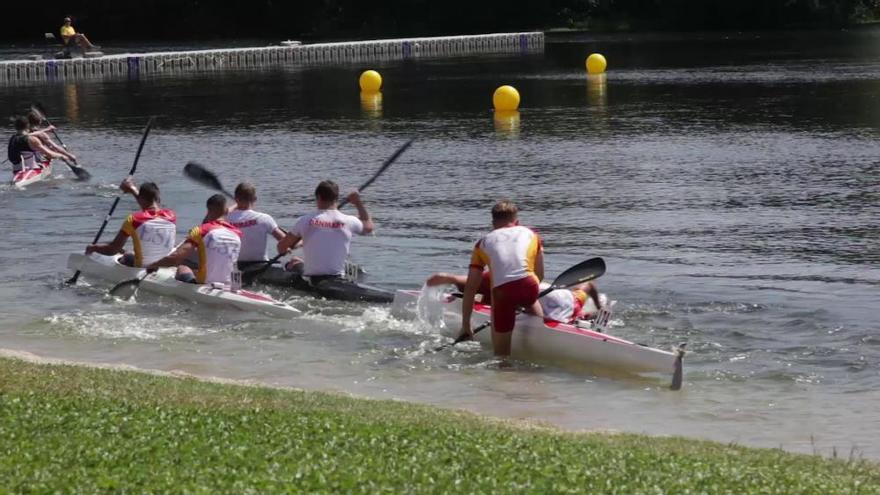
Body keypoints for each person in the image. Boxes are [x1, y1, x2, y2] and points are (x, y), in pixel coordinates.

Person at [458, 200, 544, 357]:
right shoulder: (532, 235)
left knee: (501, 356)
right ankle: (540, 323)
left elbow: (471, 287)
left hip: (502, 294)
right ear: (517, 221)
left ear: (493, 223)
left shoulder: (481, 243)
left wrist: (466, 324)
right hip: (530, 288)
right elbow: (540, 275)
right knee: (529, 283)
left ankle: (503, 364)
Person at [276, 180, 373, 284]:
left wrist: (287, 249)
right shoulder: (349, 220)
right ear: (336, 198)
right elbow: (369, 227)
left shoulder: (304, 220)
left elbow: (281, 247)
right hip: (337, 278)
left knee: (293, 260)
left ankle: (295, 265)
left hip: (312, 279)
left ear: (318, 197)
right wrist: (358, 203)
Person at [426, 272, 602, 324]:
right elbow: (589, 284)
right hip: (559, 293)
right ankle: (598, 309)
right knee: (585, 288)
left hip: (560, 305)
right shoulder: (489, 280)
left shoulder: (494, 285)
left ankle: (582, 317)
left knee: (572, 316)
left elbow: (538, 320)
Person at [147, 194, 241, 285]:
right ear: (226, 211)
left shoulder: (201, 230)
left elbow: (175, 259)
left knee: (182, 268)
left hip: (204, 283)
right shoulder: (237, 233)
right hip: (230, 284)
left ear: (208, 210)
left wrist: (152, 264)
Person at [85, 179, 176, 267]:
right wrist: (132, 190)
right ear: (158, 199)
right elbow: (151, 208)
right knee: (128, 251)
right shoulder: (171, 216)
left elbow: (112, 250)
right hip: (164, 265)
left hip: (142, 267)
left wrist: (93, 248)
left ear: (141, 198)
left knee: (126, 254)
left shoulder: (134, 220)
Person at [226, 182, 286, 267]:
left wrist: (235, 205)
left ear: (236, 199)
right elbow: (285, 241)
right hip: (260, 266)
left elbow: (212, 219)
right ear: (255, 199)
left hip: (235, 266)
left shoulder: (225, 219)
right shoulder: (264, 218)